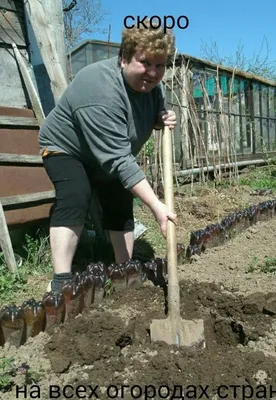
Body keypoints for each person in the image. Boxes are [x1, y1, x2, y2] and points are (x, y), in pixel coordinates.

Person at [38, 19, 178, 294]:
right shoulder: (99, 87)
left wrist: (161, 118)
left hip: (109, 152)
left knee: (119, 200)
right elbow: (119, 160)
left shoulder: (152, 88)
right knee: (75, 195)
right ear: (124, 59)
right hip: (67, 148)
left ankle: (123, 269)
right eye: (145, 62)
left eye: (160, 65)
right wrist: (157, 207)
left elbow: (150, 113)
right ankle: (61, 279)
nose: (152, 72)